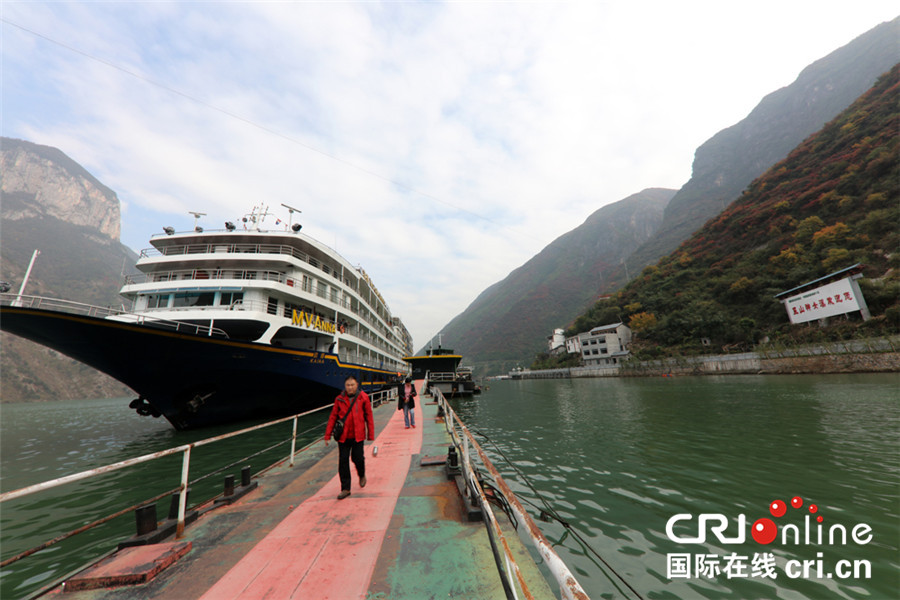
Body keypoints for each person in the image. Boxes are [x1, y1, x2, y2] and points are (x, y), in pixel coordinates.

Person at [324, 375, 375, 500]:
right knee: (343, 461)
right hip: (343, 436)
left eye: (352, 385)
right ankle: (345, 488)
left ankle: (361, 474)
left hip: (358, 435)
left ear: (357, 385)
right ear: (345, 386)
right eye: (348, 385)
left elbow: (369, 416)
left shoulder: (363, 397)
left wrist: (370, 434)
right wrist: (327, 435)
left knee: (358, 458)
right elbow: (333, 417)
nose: (350, 387)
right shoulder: (339, 399)